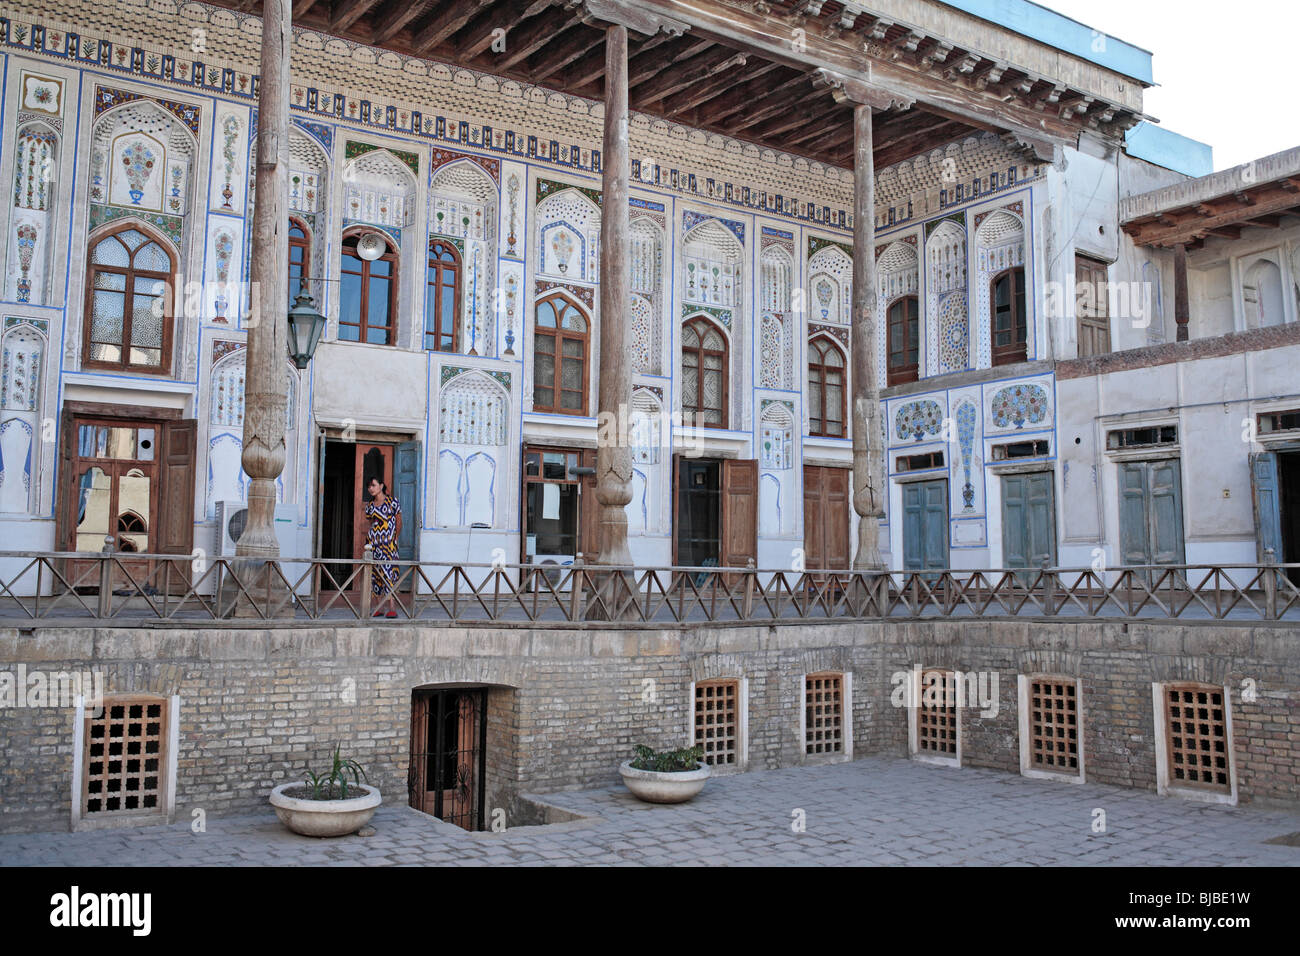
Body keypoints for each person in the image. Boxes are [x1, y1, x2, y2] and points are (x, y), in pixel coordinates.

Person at [363, 477, 402, 617]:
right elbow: (371, 523)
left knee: (389, 573)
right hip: (374, 544)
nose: (370, 488)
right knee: (375, 574)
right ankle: (379, 606)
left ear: (381, 485)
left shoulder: (392, 502)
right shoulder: (370, 506)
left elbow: (399, 521)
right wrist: (371, 539)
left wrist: (394, 539)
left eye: (373, 485)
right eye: (369, 486)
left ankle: (392, 607)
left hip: (389, 544)